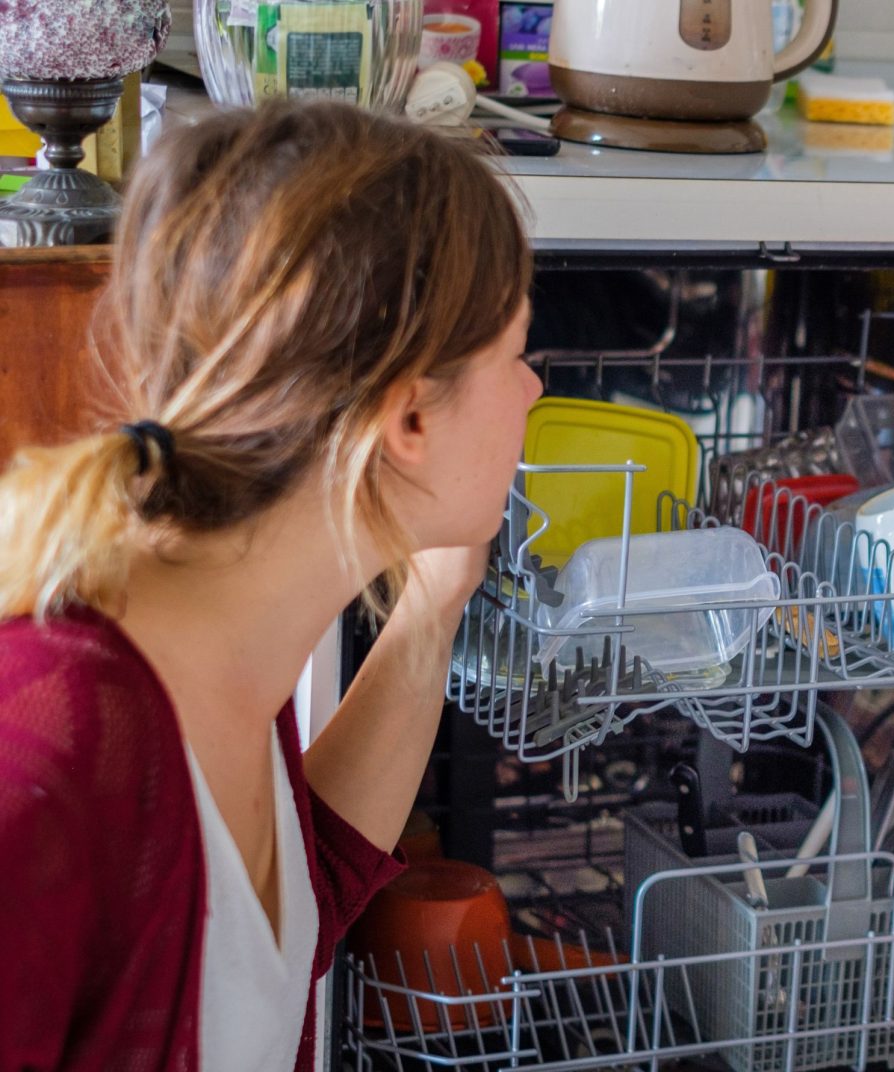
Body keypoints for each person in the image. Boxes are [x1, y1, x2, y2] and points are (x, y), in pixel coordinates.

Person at [0, 102, 540, 1070]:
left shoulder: (236, 663)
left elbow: (283, 922)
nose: (534, 389)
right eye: (515, 354)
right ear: (408, 419)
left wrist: (437, 596)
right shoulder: (51, 753)